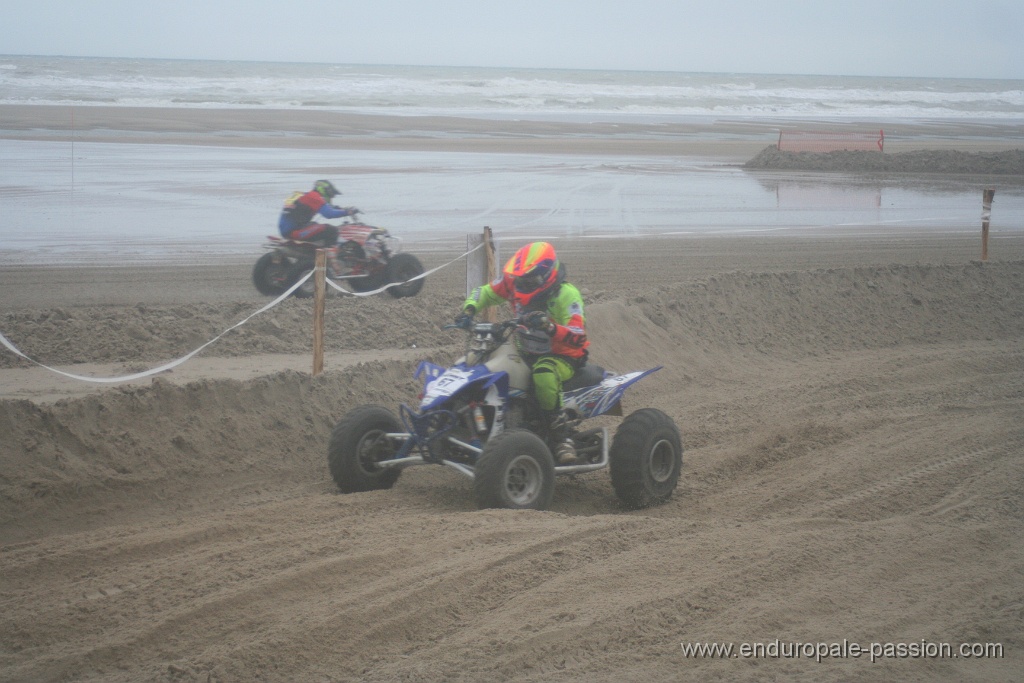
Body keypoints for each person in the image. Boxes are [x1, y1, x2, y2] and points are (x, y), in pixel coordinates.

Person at [456, 241, 590, 464]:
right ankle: (464, 419)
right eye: (521, 280)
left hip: (563, 355)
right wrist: (469, 309)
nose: (523, 284)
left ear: (546, 275)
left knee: (543, 373)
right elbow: (485, 292)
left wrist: (549, 326)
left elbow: (578, 335)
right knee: (477, 360)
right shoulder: (513, 282)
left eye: (529, 280)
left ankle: (561, 437)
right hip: (524, 348)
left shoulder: (566, 294)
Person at [278, 180, 358, 247]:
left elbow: (327, 207)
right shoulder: (314, 197)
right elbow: (329, 214)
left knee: (317, 226)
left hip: (288, 230)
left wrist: (342, 209)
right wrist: (348, 212)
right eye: (331, 194)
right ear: (324, 190)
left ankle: (317, 253)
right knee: (331, 230)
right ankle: (324, 261)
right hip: (293, 232)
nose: (332, 197)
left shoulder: (305, 195)